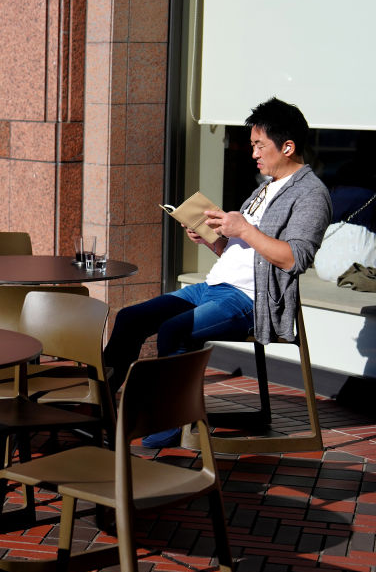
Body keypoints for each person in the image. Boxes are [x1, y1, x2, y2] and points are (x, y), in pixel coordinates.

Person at [103, 97, 332, 448]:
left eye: (260, 145)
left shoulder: (311, 194)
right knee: (131, 319)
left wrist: (243, 229)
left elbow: (294, 259)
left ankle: (170, 425)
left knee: (175, 330)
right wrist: (212, 240)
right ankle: (99, 405)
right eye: (253, 145)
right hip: (212, 287)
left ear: (287, 147)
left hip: (250, 300)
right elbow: (242, 251)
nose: (253, 153)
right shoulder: (265, 187)